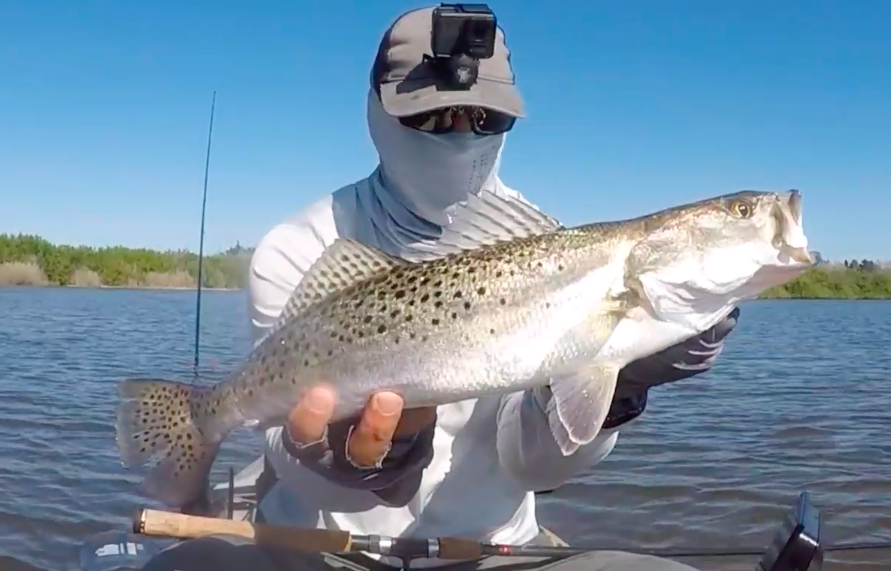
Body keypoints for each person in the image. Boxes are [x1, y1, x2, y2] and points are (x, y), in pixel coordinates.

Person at [141, 6, 740, 571]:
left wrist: (619, 386)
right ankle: (196, 416)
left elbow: (532, 464)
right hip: (322, 546)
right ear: (375, 110)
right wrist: (341, 464)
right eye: (430, 116)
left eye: (486, 118)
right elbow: (284, 443)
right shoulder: (302, 243)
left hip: (491, 549)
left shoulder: (553, 252)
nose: (461, 134)